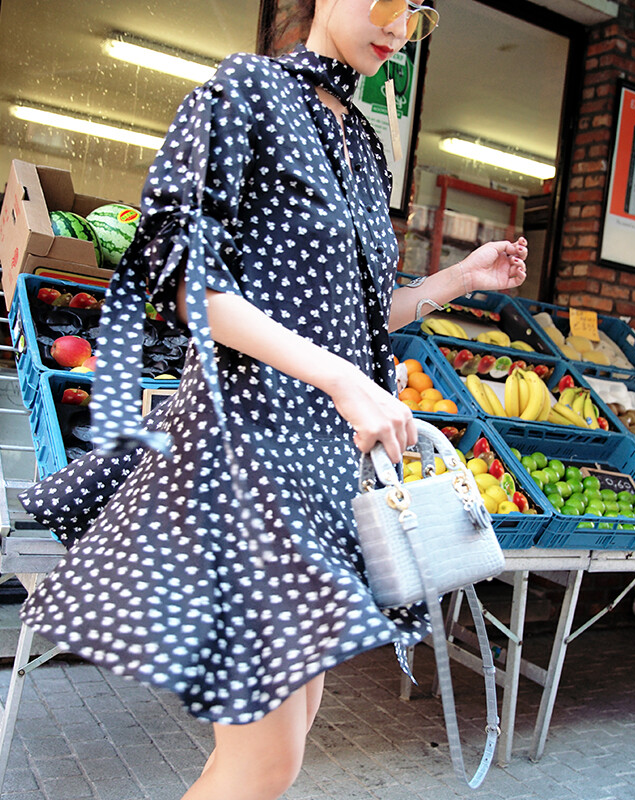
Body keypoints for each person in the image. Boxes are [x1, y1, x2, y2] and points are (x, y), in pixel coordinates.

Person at [18, 1, 528, 797]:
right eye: (385, 3)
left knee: (262, 752)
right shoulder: (246, 90)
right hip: (243, 452)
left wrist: (458, 280)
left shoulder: (364, 144)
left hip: (318, 468)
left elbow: (354, 316)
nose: (396, 28)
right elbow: (188, 284)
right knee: (267, 760)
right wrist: (342, 379)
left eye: (416, 15)